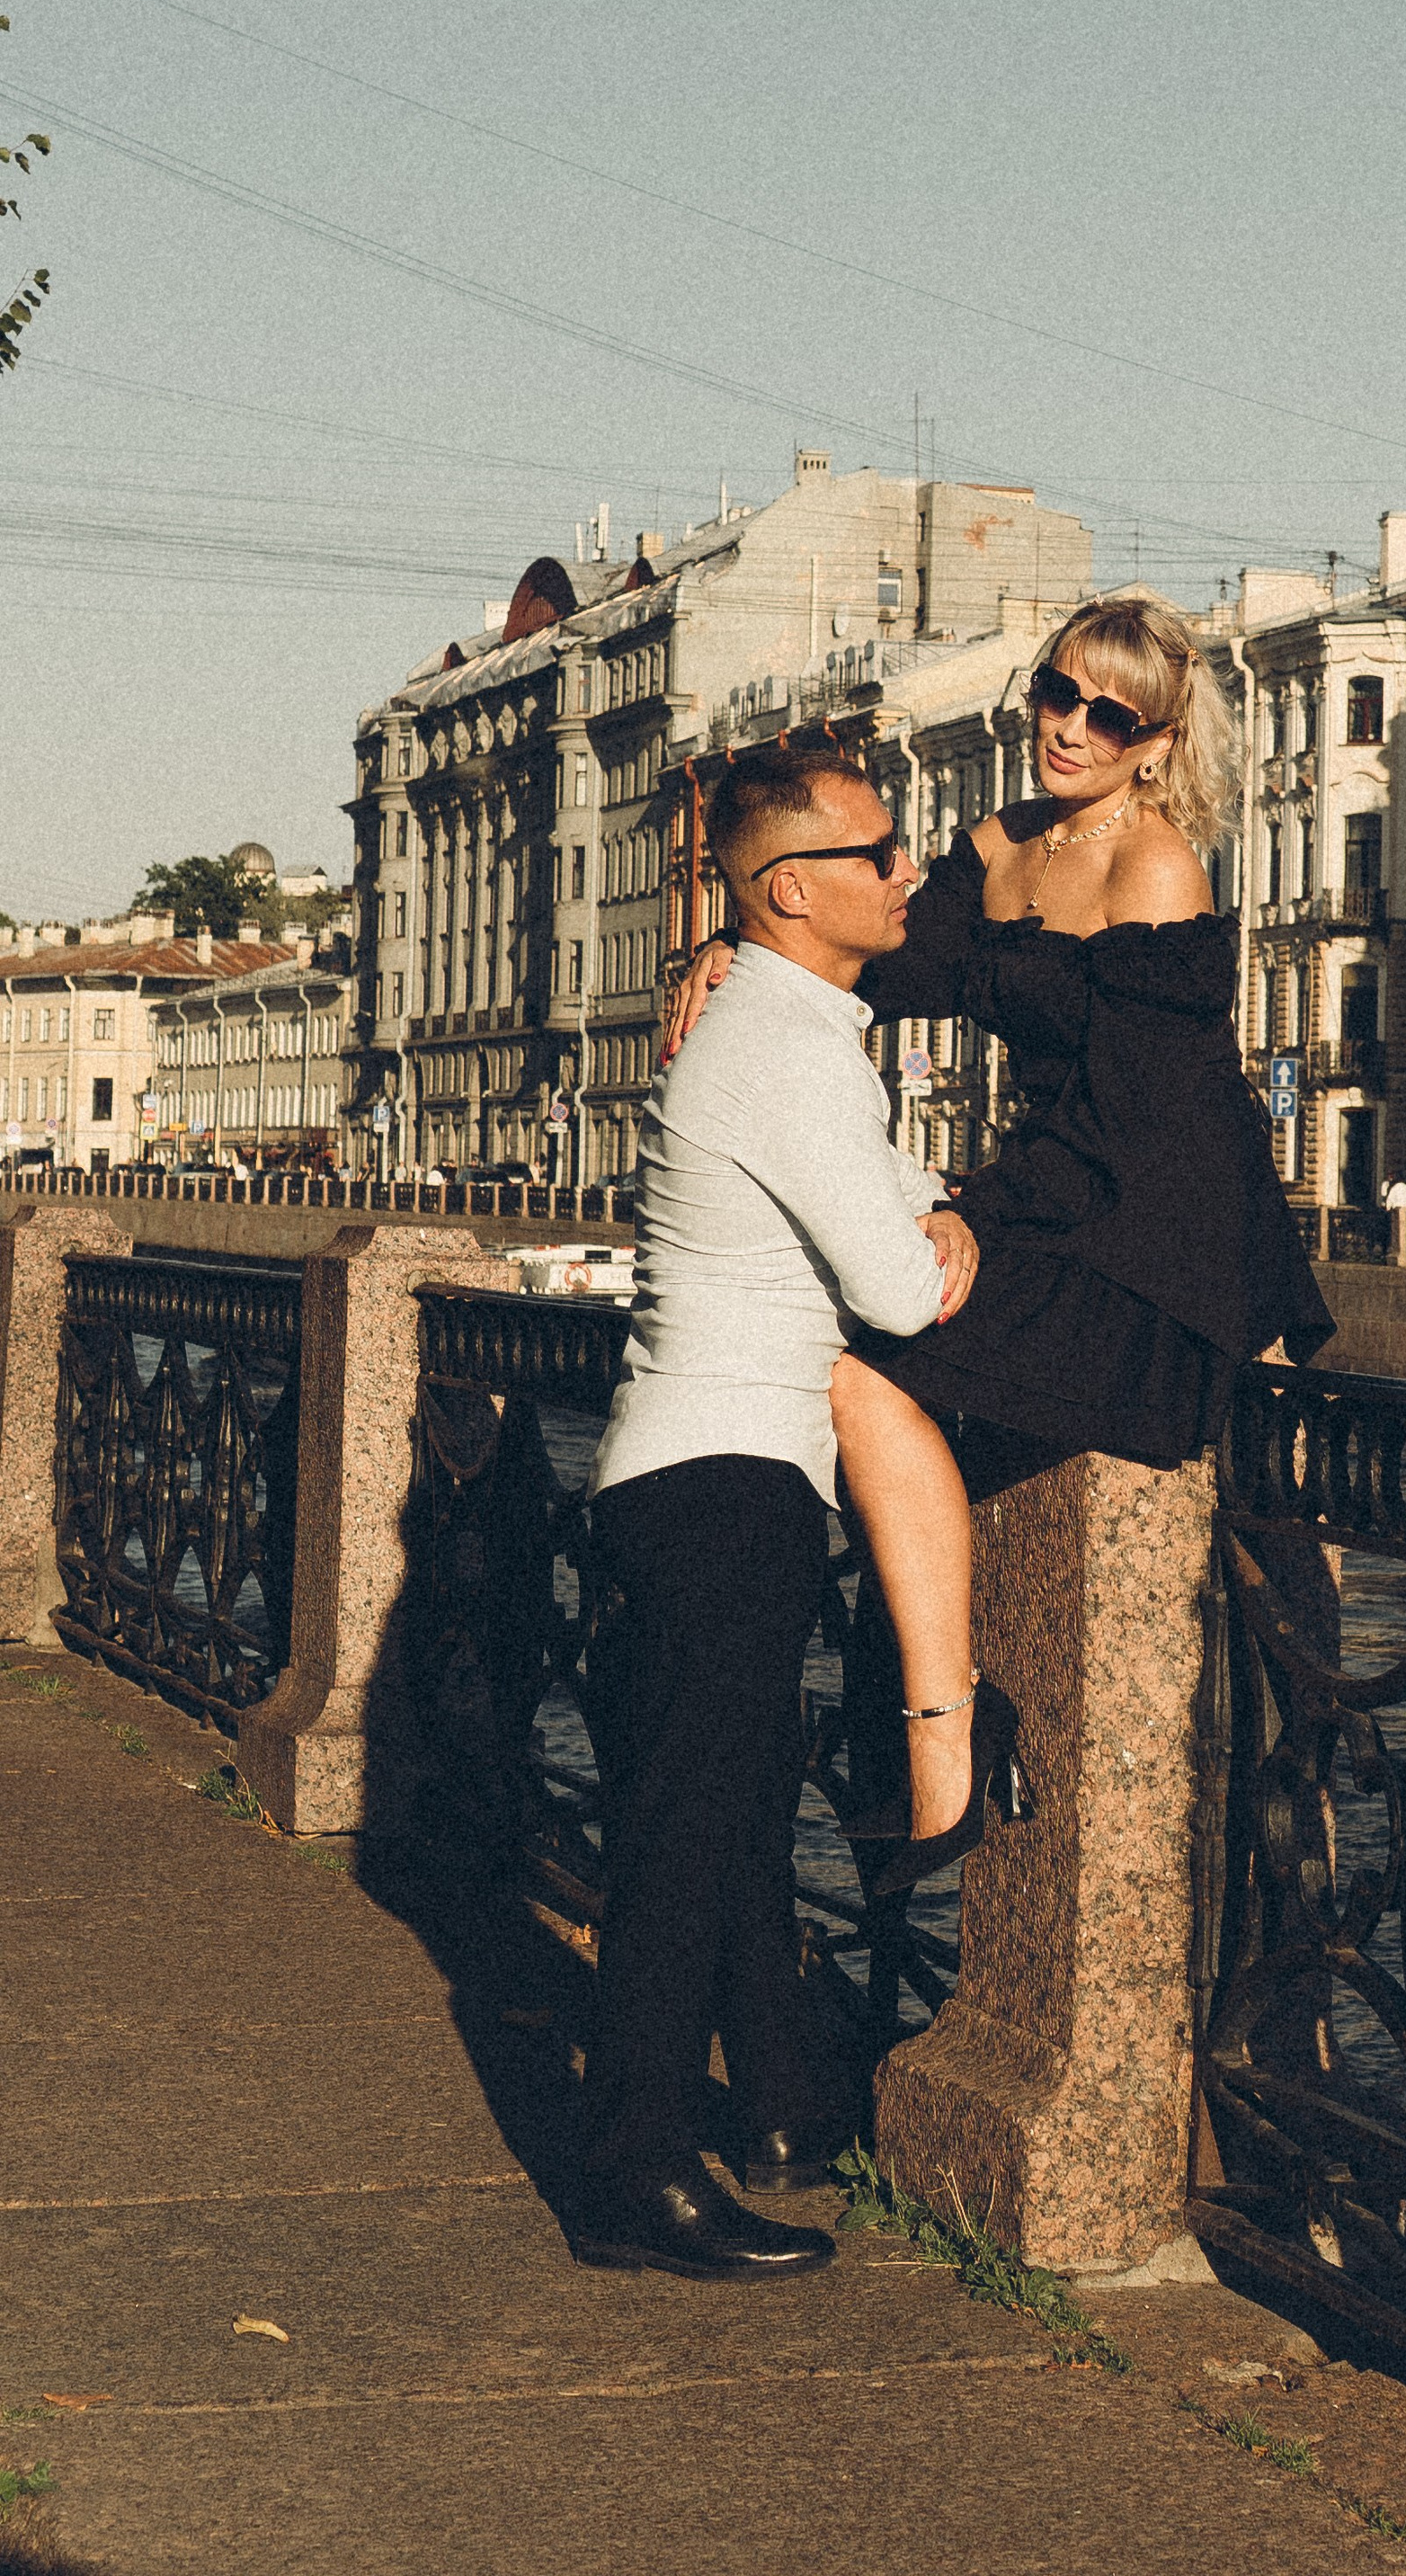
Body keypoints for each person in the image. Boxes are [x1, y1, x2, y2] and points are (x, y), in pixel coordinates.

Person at [668, 596, 1334, 1882]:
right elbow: (878, 958)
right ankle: (924, 1736)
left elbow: (1135, 1129)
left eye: (1110, 715)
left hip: (1164, 1252)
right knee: (866, 1351)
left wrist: (967, 1216)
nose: (1069, 727)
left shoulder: (1157, 871)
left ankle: (935, 1743)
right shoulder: (1002, 844)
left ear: (1156, 743)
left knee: (873, 1363)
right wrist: (732, 938)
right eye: (1057, 692)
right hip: (1062, 1207)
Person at [572, 743, 979, 2283]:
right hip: (728, 1477)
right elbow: (892, 1289)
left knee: (735, 1820)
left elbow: (861, 1195)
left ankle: (791, 2107)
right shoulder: (786, 1050)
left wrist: (912, 1188)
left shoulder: (783, 1029)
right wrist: (940, 1224)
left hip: (697, 1473)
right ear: (792, 891)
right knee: (689, 1834)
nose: (906, 874)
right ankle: (632, 2169)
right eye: (880, 853)